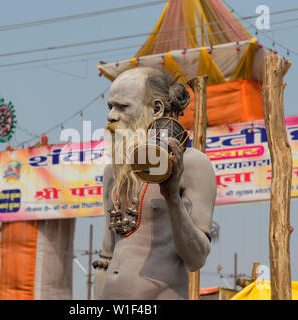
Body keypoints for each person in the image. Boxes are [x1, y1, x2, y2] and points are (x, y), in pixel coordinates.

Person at [92, 67, 217, 300]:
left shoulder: (192, 164)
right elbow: (106, 258)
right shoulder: (113, 171)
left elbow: (197, 258)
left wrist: (171, 197)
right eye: (110, 107)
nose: (110, 116)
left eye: (122, 107)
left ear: (156, 109)